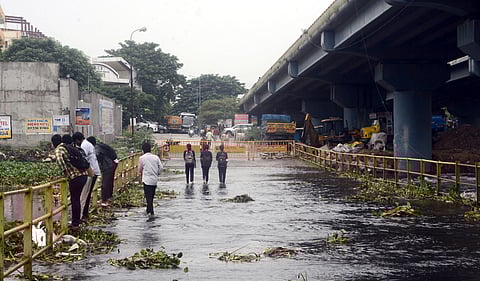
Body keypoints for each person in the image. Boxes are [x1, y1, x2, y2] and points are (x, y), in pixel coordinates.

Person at [52, 134, 88, 230]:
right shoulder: (69, 147)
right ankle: (77, 221)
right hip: (84, 174)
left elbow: (60, 161)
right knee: (76, 199)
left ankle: (75, 224)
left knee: (75, 200)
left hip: (75, 176)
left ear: (53, 143)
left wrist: (65, 172)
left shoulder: (59, 149)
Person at [73, 132, 100, 221]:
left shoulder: (84, 146)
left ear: (77, 140)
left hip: (90, 172)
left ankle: (82, 215)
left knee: (84, 195)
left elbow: (82, 160)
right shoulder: (88, 144)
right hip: (94, 171)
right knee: (87, 194)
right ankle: (85, 214)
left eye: (75, 142)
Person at [86, 137, 118, 207]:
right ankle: (109, 198)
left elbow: (97, 156)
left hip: (108, 165)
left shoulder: (97, 148)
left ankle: (104, 200)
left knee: (105, 183)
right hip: (112, 164)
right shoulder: (100, 146)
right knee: (109, 182)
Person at [138, 142, 163, 217]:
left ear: (143, 150)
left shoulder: (142, 158)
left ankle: (151, 212)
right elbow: (161, 167)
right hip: (154, 180)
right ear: (150, 149)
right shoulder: (156, 157)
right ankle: (148, 210)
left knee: (148, 196)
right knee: (151, 195)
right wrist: (157, 173)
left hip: (146, 180)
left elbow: (139, 169)